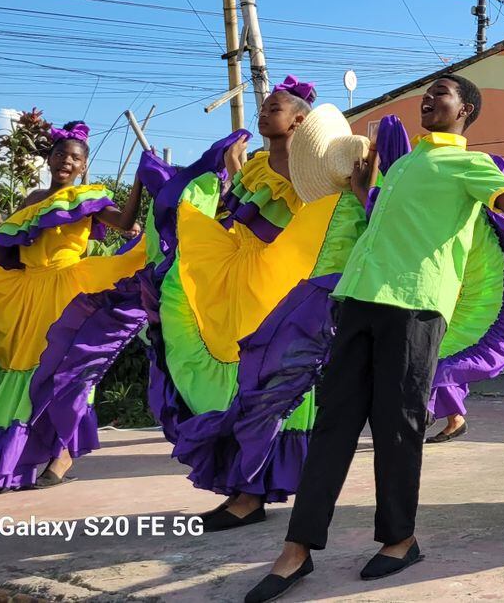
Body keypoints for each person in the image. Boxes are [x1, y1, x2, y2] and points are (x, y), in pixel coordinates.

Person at [245, 75, 504, 603]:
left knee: (396, 426)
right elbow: (388, 222)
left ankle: (400, 538)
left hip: (416, 307)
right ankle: (297, 550)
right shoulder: (404, 164)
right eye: (427, 93)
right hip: (358, 298)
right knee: (334, 423)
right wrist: (362, 190)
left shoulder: (468, 164)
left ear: (466, 109)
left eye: (442, 93)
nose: (429, 98)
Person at [138, 77, 370, 532]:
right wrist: (221, 179)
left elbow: (327, 236)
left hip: (279, 291)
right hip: (235, 285)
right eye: (264, 106)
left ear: (301, 120)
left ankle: (249, 496)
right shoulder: (254, 170)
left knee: (266, 386)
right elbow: (225, 219)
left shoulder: (321, 177)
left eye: (276, 106)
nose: (265, 112)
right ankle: (242, 489)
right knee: (211, 361)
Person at [0, 120, 149, 492]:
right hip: (28, 295)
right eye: (60, 154)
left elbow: (125, 222)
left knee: (69, 368)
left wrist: (138, 181)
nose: (66, 162)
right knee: (25, 372)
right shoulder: (33, 199)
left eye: (74, 157)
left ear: (83, 165)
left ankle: (64, 454)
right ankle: (12, 459)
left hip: (70, 289)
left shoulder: (88, 199)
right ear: (50, 158)